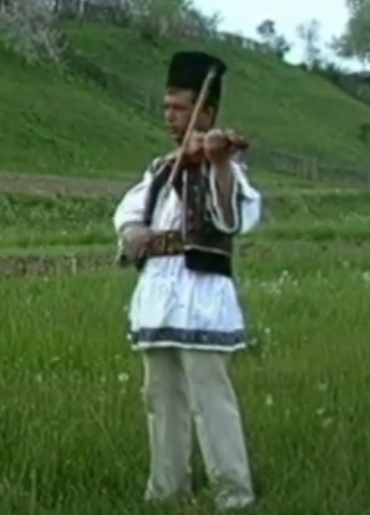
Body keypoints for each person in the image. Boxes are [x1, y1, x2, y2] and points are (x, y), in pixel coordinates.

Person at [112, 51, 262, 510]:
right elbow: (130, 213)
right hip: (159, 296)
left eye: (180, 108)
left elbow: (233, 219)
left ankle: (234, 494)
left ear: (207, 113)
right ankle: (166, 489)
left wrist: (216, 163)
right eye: (167, 107)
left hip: (201, 296)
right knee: (161, 400)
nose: (171, 116)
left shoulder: (227, 169)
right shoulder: (160, 169)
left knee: (210, 400)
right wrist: (133, 233)